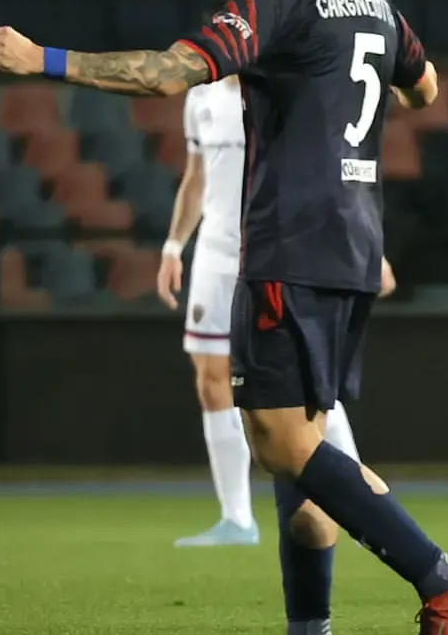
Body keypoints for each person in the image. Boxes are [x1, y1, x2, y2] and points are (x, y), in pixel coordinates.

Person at [0, 0, 448, 635]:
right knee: (301, 455)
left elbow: (167, 74)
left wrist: (42, 59)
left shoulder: (279, 1)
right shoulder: (373, 0)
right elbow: (423, 89)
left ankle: (444, 577)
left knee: (281, 445)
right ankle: (310, 627)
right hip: (353, 245)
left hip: (290, 244)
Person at [156, 72, 393, 546]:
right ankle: (237, 518)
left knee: (308, 384)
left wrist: (369, 247)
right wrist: (173, 246)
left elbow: (333, 168)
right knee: (210, 379)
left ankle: (363, 503)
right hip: (216, 253)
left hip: (276, 251)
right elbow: (196, 177)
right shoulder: (200, 96)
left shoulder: (284, 87)